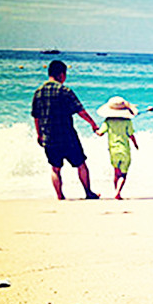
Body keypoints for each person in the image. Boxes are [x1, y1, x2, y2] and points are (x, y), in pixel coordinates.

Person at [31, 60, 100, 200]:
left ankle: (60, 195)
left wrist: (39, 134)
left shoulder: (38, 92)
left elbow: (36, 117)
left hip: (49, 137)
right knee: (81, 164)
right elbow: (81, 111)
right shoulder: (65, 91)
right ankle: (88, 192)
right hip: (67, 136)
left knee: (55, 168)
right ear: (61, 74)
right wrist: (93, 124)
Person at [96, 96, 139, 200]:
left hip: (113, 150)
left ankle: (116, 191)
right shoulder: (127, 121)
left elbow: (100, 133)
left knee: (116, 172)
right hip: (125, 150)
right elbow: (131, 135)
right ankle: (118, 192)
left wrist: (95, 128)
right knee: (123, 174)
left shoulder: (108, 121)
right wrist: (135, 144)